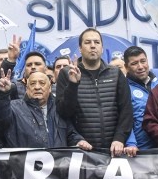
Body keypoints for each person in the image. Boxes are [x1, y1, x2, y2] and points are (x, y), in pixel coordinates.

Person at [56, 28, 132, 156]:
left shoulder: (116, 73)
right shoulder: (67, 73)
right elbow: (63, 113)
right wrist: (73, 84)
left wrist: (119, 138)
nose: (92, 46)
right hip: (81, 150)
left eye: (96, 42)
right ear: (80, 48)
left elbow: (126, 110)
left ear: (102, 48)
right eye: (87, 42)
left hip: (114, 149)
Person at [0, 71, 91, 150]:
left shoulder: (59, 109)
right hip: (23, 167)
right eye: (32, 84)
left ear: (49, 88)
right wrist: (2, 94)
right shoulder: (14, 107)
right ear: (27, 89)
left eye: (42, 83)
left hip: (55, 166)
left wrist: (79, 141)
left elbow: (70, 133)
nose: (37, 87)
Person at [122, 46, 158, 155]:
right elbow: (124, 119)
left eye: (143, 61)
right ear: (126, 67)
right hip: (140, 150)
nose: (140, 66)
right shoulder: (124, 88)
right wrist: (131, 143)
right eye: (134, 63)